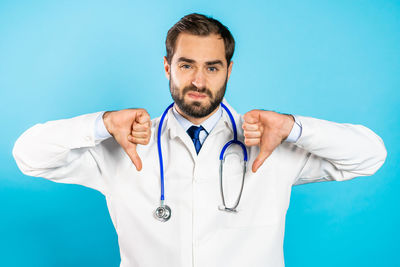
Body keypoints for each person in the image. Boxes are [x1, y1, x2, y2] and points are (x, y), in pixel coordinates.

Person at [12, 13, 387, 267]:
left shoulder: (271, 143)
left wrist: (294, 127)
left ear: (229, 70)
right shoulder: (125, 144)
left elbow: (370, 156)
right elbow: (28, 156)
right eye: (186, 64)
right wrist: (102, 123)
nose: (198, 81)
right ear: (167, 67)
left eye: (212, 67)